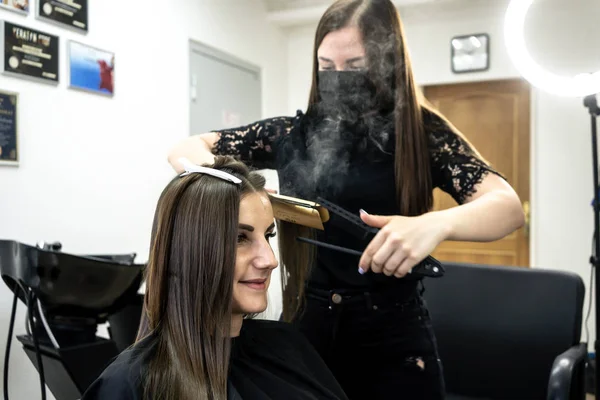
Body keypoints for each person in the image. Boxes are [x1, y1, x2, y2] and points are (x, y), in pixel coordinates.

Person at [166, 0, 525, 398]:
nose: (339, 79)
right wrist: (234, 187)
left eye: (355, 66)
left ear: (386, 59)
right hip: (308, 327)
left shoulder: (421, 136)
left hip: (393, 336)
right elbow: (186, 148)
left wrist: (434, 224)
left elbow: (507, 207)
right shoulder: (291, 134)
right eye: (326, 66)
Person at [81, 156, 349, 400]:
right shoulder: (132, 385)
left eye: (268, 236)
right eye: (240, 238)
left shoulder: (288, 346)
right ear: (189, 251)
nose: (270, 260)